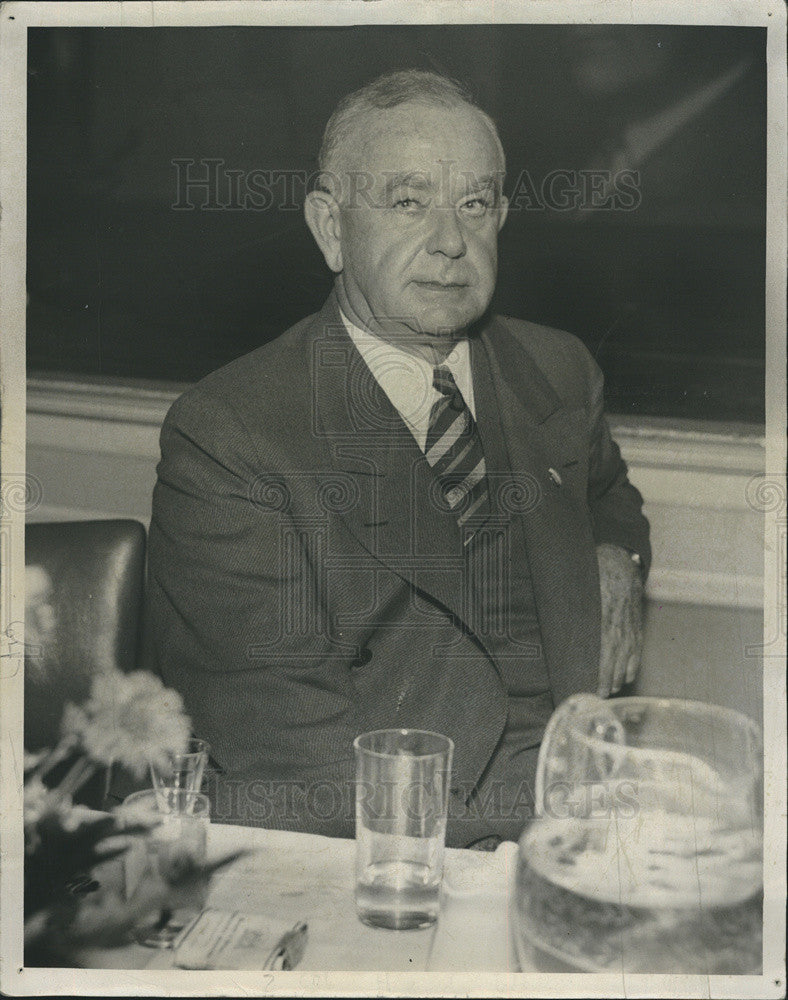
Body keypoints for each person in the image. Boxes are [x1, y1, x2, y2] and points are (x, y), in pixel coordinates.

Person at [146, 70, 650, 847]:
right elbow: (290, 765)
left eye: (475, 204)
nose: (451, 240)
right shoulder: (230, 435)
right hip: (390, 844)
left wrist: (616, 553)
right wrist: (545, 825)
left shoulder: (558, 368)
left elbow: (611, 495)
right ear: (332, 228)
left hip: (571, 803)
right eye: (409, 201)